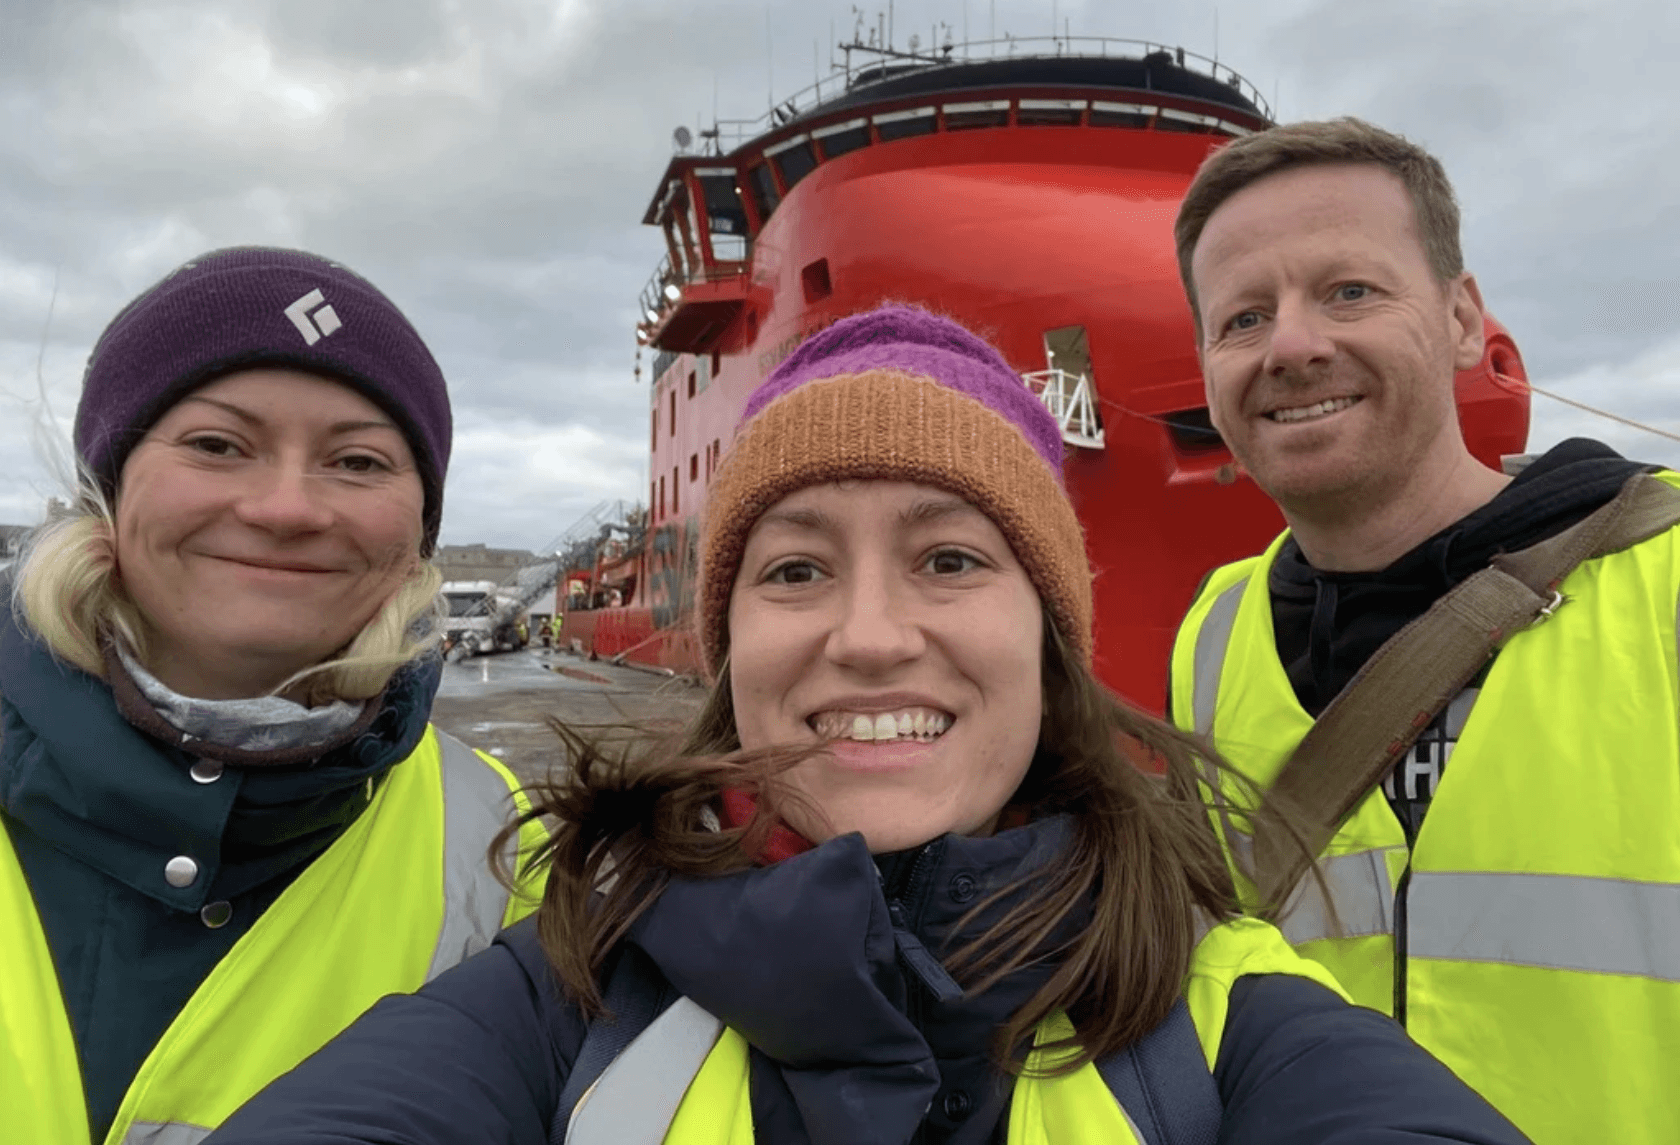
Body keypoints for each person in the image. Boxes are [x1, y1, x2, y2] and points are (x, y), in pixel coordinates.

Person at [207, 305, 1523, 1145]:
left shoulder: (1229, 1012)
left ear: (1050, 634)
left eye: (952, 559)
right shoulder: (567, 988)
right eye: (794, 569)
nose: (874, 634)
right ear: (726, 644)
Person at [1167, 117, 1679, 1143]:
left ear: (1460, 317)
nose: (1296, 346)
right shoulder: (1211, 635)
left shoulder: (1665, 585)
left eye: (1350, 291)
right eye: (1244, 318)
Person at [1, 246, 546, 1145]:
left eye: (359, 462)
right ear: (107, 487)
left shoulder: (508, 850)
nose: (287, 508)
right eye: (218, 445)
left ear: (417, 530)